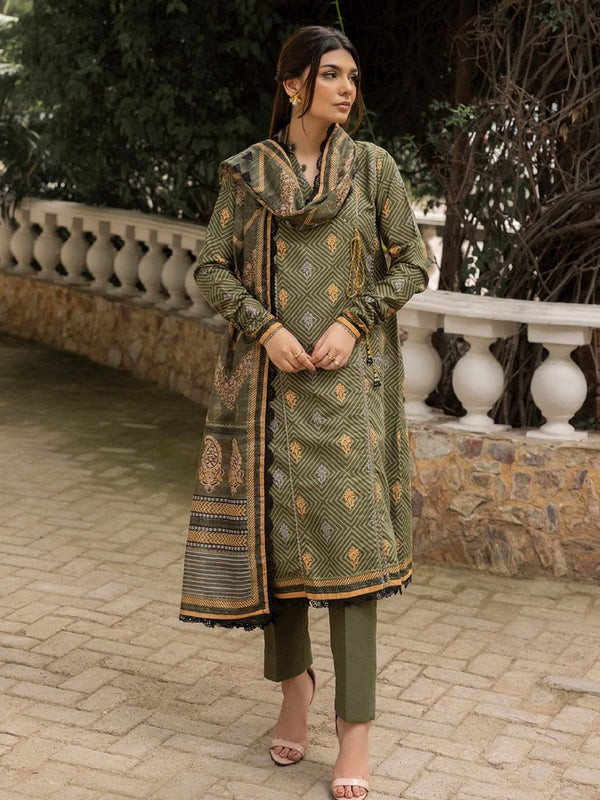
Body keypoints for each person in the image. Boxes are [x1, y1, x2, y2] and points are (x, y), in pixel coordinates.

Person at [179, 25, 429, 799]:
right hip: (271, 391)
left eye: (353, 76)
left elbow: (414, 262)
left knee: (354, 570)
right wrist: (267, 329)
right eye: (331, 75)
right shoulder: (249, 175)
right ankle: (295, 692)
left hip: (349, 396)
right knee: (280, 559)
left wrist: (353, 321)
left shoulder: (373, 169)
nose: (347, 88)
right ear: (294, 85)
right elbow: (211, 268)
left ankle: (355, 736)